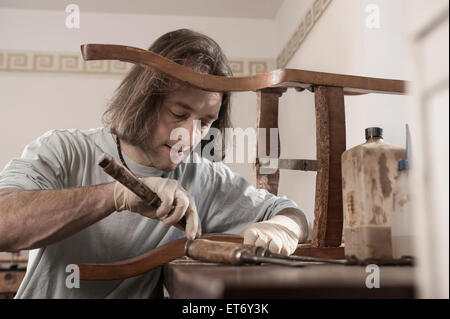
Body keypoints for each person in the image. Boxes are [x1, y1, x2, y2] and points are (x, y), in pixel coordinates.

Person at [0, 29, 309, 298]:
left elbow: (290, 212)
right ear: (144, 98)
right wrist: (116, 196)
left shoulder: (205, 178)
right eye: (178, 114)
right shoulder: (64, 149)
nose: (189, 136)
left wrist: (284, 226)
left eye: (204, 122)